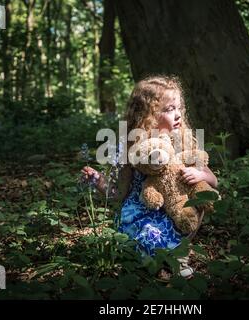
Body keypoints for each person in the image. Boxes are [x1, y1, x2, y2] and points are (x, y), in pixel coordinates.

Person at [81, 75, 218, 278]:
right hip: (140, 214)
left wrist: (199, 174)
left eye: (179, 107)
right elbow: (118, 194)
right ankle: (152, 262)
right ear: (148, 115)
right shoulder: (132, 149)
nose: (178, 114)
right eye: (169, 109)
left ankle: (176, 256)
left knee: (190, 209)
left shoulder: (183, 141)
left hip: (175, 210)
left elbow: (213, 180)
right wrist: (97, 181)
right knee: (145, 237)